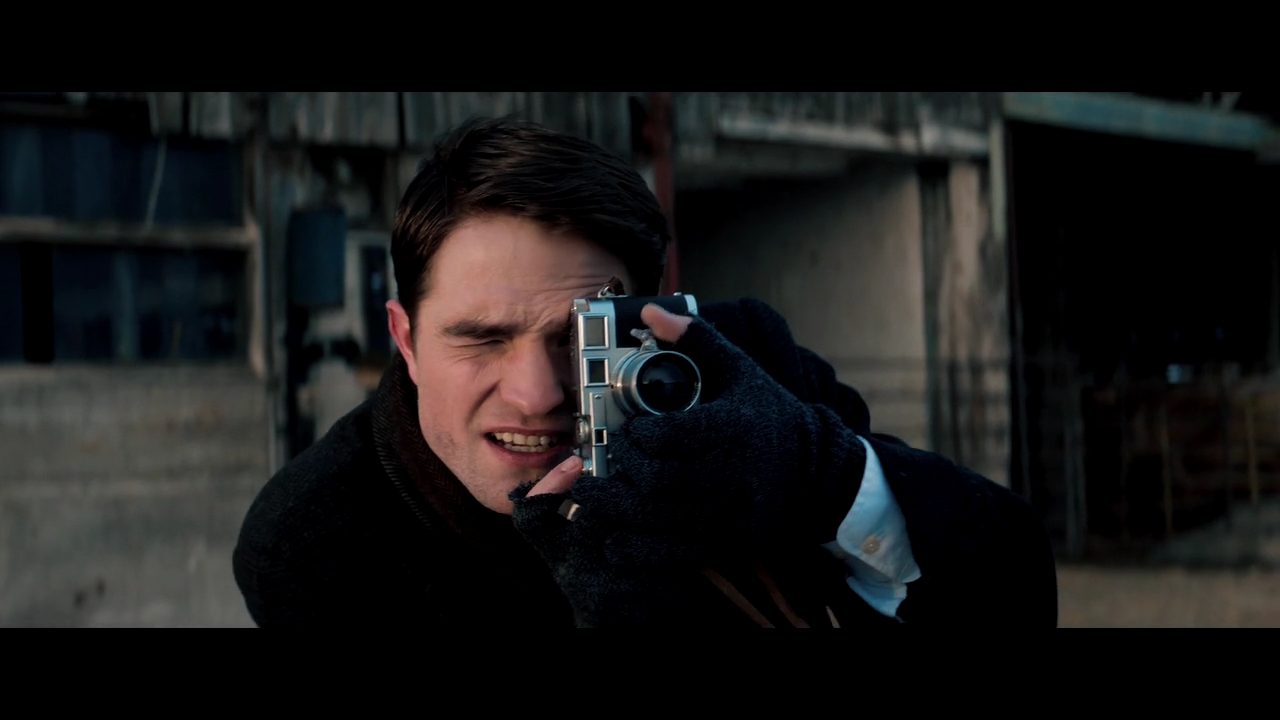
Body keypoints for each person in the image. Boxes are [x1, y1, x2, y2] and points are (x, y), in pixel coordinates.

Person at [232, 116, 1058, 628]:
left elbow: (1015, 585)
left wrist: (827, 478)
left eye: (580, 337)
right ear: (404, 340)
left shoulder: (741, 370)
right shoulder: (315, 539)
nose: (537, 394)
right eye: (481, 339)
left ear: (653, 314)